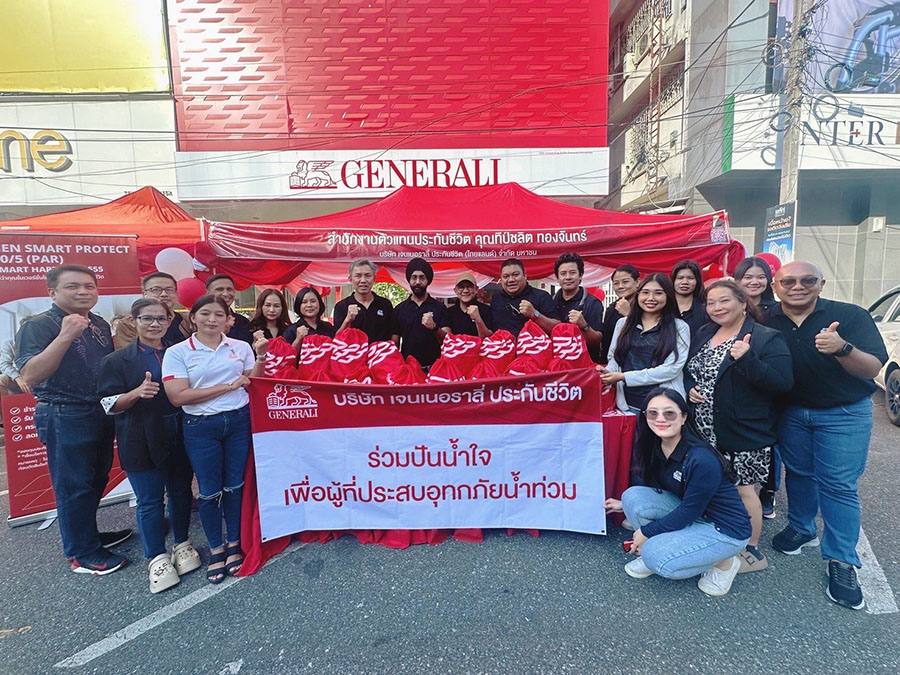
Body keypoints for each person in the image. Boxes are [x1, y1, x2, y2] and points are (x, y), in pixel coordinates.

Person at [766, 261, 888, 610]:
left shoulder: (849, 315)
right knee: (799, 473)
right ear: (776, 286)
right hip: (791, 412)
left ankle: (842, 560)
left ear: (821, 283)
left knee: (838, 485)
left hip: (843, 413)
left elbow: (873, 367)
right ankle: (802, 527)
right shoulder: (766, 317)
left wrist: (842, 348)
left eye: (807, 280)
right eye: (788, 281)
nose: (797, 286)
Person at [15, 265, 131, 575]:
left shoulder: (99, 323)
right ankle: (81, 553)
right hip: (64, 413)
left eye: (89, 286)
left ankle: (88, 537)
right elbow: (31, 375)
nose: (83, 291)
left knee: (96, 479)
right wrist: (65, 336)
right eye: (73, 286)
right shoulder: (38, 325)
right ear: (52, 292)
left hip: (98, 410)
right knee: (73, 485)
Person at [685, 280, 793, 574]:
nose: (717, 308)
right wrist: (690, 387)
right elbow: (690, 370)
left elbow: (782, 383)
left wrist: (748, 359)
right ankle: (721, 537)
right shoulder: (705, 333)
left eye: (724, 301)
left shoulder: (765, 338)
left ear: (743, 303)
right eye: (711, 303)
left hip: (744, 429)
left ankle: (751, 550)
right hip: (703, 428)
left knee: (745, 490)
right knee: (713, 485)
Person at [604, 388, 751, 597]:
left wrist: (647, 532)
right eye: (653, 413)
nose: (660, 419)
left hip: (725, 528)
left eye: (669, 413)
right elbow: (671, 494)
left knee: (656, 558)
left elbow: (689, 511)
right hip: (696, 514)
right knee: (631, 497)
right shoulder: (657, 444)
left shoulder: (701, 458)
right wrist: (623, 505)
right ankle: (670, 548)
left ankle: (724, 562)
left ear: (683, 417)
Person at [162, 295, 268, 583]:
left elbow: (252, 382)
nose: (212, 319)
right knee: (209, 491)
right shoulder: (177, 352)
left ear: (228, 319)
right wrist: (228, 387)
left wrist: (261, 357)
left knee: (234, 486)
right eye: (205, 313)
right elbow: (178, 396)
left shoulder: (240, 346)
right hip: (201, 425)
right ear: (192, 317)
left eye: (219, 314)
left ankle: (234, 543)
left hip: (238, 421)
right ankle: (215, 548)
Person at [98, 299, 201, 594]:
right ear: (134, 321)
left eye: (161, 319)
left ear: (170, 321)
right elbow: (107, 404)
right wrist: (135, 393)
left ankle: (182, 543)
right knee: (150, 499)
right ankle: (155, 556)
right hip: (139, 436)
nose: (155, 324)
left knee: (181, 492)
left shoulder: (179, 353)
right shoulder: (116, 360)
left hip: (179, 431)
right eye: (147, 318)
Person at [601, 273, 690, 413]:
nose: (650, 298)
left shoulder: (679, 327)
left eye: (658, 293)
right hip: (627, 405)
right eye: (645, 292)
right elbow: (615, 358)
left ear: (668, 296)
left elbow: (672, 369)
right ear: (638, 294)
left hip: (663, 406)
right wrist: (607, 372)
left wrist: (625, 377)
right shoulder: (623, 324)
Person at [734, 256, 779, 518]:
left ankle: (769, 490)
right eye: (748, 277)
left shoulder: (776, 310)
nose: (754, 281)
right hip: (737, 381)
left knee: (769, 441)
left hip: (766, 379)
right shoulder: (729, 306)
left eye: (760, 276)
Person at [115, 271, 194, 349]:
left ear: (176, 294)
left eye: (169, 290)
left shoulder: (189, 320)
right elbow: (127, 353)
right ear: (145, 294)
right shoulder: (129, 323)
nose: (164, 294)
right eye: (156, 290)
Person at [390, 258, 446, 368]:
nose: (417, 282)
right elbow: (394, 342)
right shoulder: (399, 309)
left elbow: (448, 340)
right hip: (408, 368)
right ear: (409, 280)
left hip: (434, 368)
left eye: (422, 278)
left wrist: (434, 327)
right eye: (414, 277)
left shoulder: (440, 308)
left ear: (428, 280)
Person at [553, 253, 604, 362]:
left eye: (572, 273)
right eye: (563, 273)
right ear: (557, 278)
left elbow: (597, 342)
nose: (568, 277)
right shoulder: (550, 302)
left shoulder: (593, 303)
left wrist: (584, 325)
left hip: (584, 366)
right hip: (556, 365)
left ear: (580, 275)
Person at [490, 258, 559, 337]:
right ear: (501, 279)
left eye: (516, 275)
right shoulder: (496, 300)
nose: (511, 280)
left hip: (534, 344)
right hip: (503, 344)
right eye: (506, 276)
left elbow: (558, 328)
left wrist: (535, 314)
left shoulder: (541, 296)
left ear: (525, 276)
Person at [332, 259, 394, 343]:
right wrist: (347, 320)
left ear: (374, 278)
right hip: (353, 351)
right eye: (358, 276)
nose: (363, 280)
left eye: (368, 276)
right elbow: (337, 339)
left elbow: (393, 335)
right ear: (350, 279)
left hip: (380, 351)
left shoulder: (385, 304)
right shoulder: (341, 306)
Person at [600, 264, 640, 364]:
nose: (620, 286)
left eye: (625, 282)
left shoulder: (646, 306)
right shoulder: (611, 309)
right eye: (616, 283)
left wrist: (628, 314)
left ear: (637, 282)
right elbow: (606, 341)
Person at [440, 272, 493, 339]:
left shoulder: (487, 311)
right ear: (455, 291)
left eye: (469, 286)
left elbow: (488, 339)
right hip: (457, 346)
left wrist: (478, 319)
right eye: (461, 287)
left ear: (476, 289)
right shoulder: (449, 313)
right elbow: (446, 339)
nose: (465, 290)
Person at [206, 273, 254, 346]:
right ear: (208, 293)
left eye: (229, 289)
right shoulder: (200, 321)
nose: (225, 294)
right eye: (220, 289)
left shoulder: (243, 322)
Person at [670, 260, 708, 337]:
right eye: (680, 278)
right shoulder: (664, 307)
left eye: (690, 278)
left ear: (697, 281)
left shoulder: (706, 309)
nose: (685, 282)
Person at [0, 318, 31, 397]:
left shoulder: (43, 342)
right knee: (1, 379)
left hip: (37, 376)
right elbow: (4, 364)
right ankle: (6, 405)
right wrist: (18, 377)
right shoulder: (10, 344)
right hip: (18, 375)